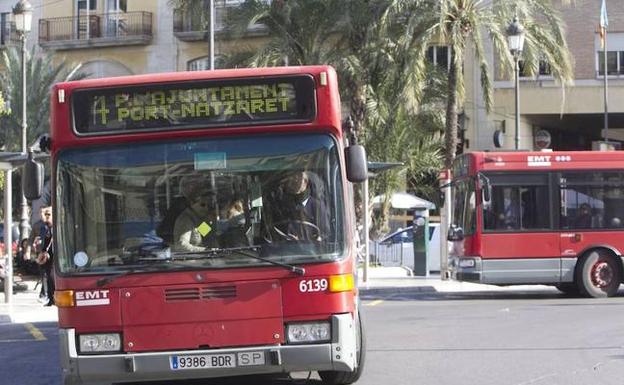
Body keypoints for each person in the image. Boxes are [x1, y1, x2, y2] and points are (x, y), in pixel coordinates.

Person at [265, 171, 330, 241]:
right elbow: (271, 230)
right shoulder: (279, 206)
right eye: (290, 178)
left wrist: (312, 240)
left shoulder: (317, 206)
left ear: (306, 182)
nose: (292, 180)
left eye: (297, 178)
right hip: (282, 248)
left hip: (310, 249)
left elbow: (324, 233)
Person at [173, 177, 219, 252]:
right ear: (192, 203)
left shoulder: (198, 219)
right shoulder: (186, 220)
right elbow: (181, 246)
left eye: (210, 205)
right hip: (191, 261)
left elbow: (206, 237)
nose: (206, 208)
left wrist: (211, 223)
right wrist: (206, 250)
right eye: (203, 204)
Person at [34, 206, 54, 306]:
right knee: (48, 277)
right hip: (46, 255)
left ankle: (53, 297)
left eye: (49, 214)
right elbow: (42, 241)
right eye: (46, 215)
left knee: (52, 276)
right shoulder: (44, 227)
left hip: (57, 256)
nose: (47, 217)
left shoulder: (59, 226)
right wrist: (38, 246)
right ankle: (50, 298)